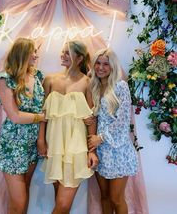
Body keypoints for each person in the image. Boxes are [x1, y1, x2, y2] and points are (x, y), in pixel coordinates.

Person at [37, 40, 98, 214]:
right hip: (54, 145)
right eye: (62, 52)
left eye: (67, 53)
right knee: (60, 201)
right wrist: (41, 140)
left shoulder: (87, 82)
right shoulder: (49, 80)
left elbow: (90, 118)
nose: (62, 56)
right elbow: (43, 115)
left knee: (63, 204)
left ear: (79, 58)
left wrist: (91, 151)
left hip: (76, 147)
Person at [0, 37, 46, 214]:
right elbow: (15, 116)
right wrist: (41, 118)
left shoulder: (37, 76)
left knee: (25, 192)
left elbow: (41, 106)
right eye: (33, 51)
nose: (36, 55)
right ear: (22, 53)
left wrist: (40, 138)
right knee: (18, 200)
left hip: (31, 143)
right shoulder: (5, 79)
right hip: (13, 143)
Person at [87, 48, 138, 214]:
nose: (101, 67)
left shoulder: (121, 86)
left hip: (118, 150)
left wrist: (100, 138)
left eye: (106, 64)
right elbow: (94, 117)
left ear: (113, 66)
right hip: (101, 151)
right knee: (105, 197)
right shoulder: (94, 87)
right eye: (98, 63)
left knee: (117, 198)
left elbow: (123, 121)